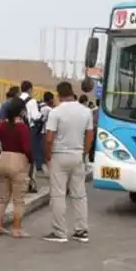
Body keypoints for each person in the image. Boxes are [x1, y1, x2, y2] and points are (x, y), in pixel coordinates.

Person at [43, 81, 95, 244]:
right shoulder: (86, 111)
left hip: (59, 155)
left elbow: (49, 138)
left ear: (58, 95)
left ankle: (59, 232)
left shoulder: (56, 112)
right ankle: (81, 230)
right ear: (72, 93)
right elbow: (90, 135)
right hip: (77, 155)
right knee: (79, 195)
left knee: (58, 194)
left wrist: (47, 156)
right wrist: (84, 153)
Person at [0, 97, 33, 238]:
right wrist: (30, 160)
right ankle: (17, 228)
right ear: (22, 111)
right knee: (18, 200)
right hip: (18, 160)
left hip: (3, 159)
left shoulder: (2, 126)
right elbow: (27, 147)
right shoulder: (22, 128)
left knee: (2, 198)